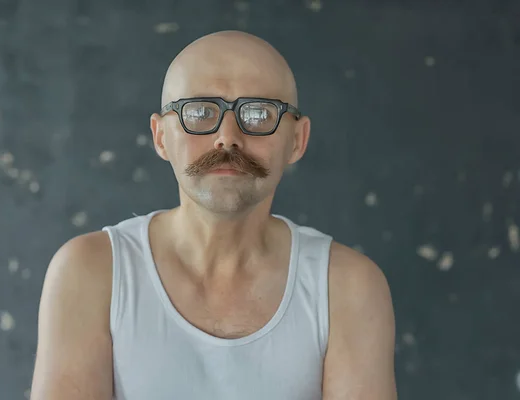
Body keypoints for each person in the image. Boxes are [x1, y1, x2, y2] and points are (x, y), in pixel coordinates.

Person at [30, 30, 397, 400]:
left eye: (257, 113)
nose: (227, 137)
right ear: (160, 137)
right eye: (200, 112)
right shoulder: (91, 273)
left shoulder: (347, 287)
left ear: (298, 140)